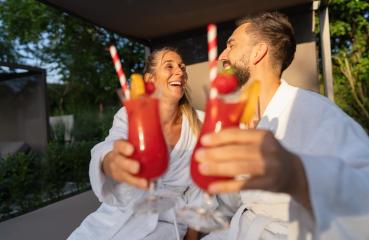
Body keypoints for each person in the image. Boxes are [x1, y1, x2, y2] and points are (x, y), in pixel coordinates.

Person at [196, 12, 369, 239]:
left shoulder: (312, 111)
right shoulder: (242, 119)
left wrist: (297, 173)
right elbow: (238, 201)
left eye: (231, 45)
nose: (222, 56)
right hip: (241, 227)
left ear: (258, 52)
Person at [68, 47, 205, 240]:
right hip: (124, 208)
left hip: (169, 219)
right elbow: (111, 144)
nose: (180, 71)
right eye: (169, 66)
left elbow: (200, 188)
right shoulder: (130, 115)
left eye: (182, 67)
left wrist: (191, 237)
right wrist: (110, 161)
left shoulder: (201, 123)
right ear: (150, 79)